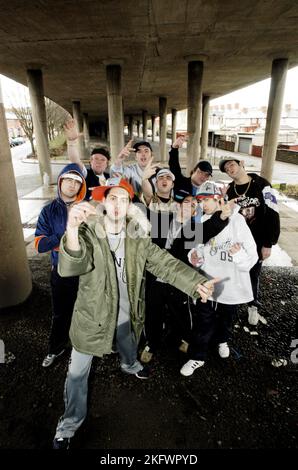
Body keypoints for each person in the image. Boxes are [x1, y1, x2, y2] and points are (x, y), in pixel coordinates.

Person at [52, 177, 219, 449]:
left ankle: (131, 365)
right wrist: (71, 229)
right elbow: (69, 267)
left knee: (128, 341)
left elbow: (164, 263)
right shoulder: (87, 232)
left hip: (127, 310)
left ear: (130, 206)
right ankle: (68, 426)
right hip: (90, 316)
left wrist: (195, 282)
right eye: (112, 198)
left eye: (124, 199)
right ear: (104, 202)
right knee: (77, 374)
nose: (117, 204)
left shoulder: (137, 237)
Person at [141, 188, 232, 364]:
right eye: (185, 203)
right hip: (155, 277)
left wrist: (221, 217)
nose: (188, 206)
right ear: (177, 205)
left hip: (180, 280)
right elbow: (142, 213)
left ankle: (184, 338)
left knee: (181, 312)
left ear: (194, 210)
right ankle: (151, 344)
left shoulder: (194, 229)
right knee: (153, 312)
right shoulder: (161, 220)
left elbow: (209, 229)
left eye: (192, 204)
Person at [180, 181, 258, 377]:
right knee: (203, 319)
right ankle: (197, 356)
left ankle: (222, 339)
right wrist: (194, 258)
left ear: (218, 199)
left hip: (231, 282)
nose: (204, 204)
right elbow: (194, 250)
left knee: (226, 317)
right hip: (207, 281)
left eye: (208, 199)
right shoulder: (200, 222)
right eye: (200, 200)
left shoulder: (237, 221)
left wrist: (238, 255)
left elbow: (253, 255)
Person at [35, 164, 86, 367]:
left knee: (85, 312)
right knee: (60, 314)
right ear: (61, 182)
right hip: (61, 272)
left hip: (85, 272)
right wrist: (68, 234)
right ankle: (55, 348)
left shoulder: (87, 208)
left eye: (77, 182)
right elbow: (40, 244)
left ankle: (82, 350)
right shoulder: (48, 211)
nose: (73, 185)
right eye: (69, 180)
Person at [219, 157, 280, 326]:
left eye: (232, 164)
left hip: (258, 240)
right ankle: (232, 302)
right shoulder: (230, 190)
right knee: (236, 271)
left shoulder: (262, 184)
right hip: (238, 243)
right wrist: (222, 199)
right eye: (226, 168)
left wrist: (268, 243)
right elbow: (225, 215)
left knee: (253, 274)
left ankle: (253, 305)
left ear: (241, 164)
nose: (230, 169)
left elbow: (273, 213)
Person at [64, 118, 110, 200]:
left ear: (107, 164)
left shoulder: (110, 178)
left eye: (102, 160)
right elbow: (75, 160)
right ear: (90, 162)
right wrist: (71, 142)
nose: (98, 162)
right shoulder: (86, 174)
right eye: (95, 159)